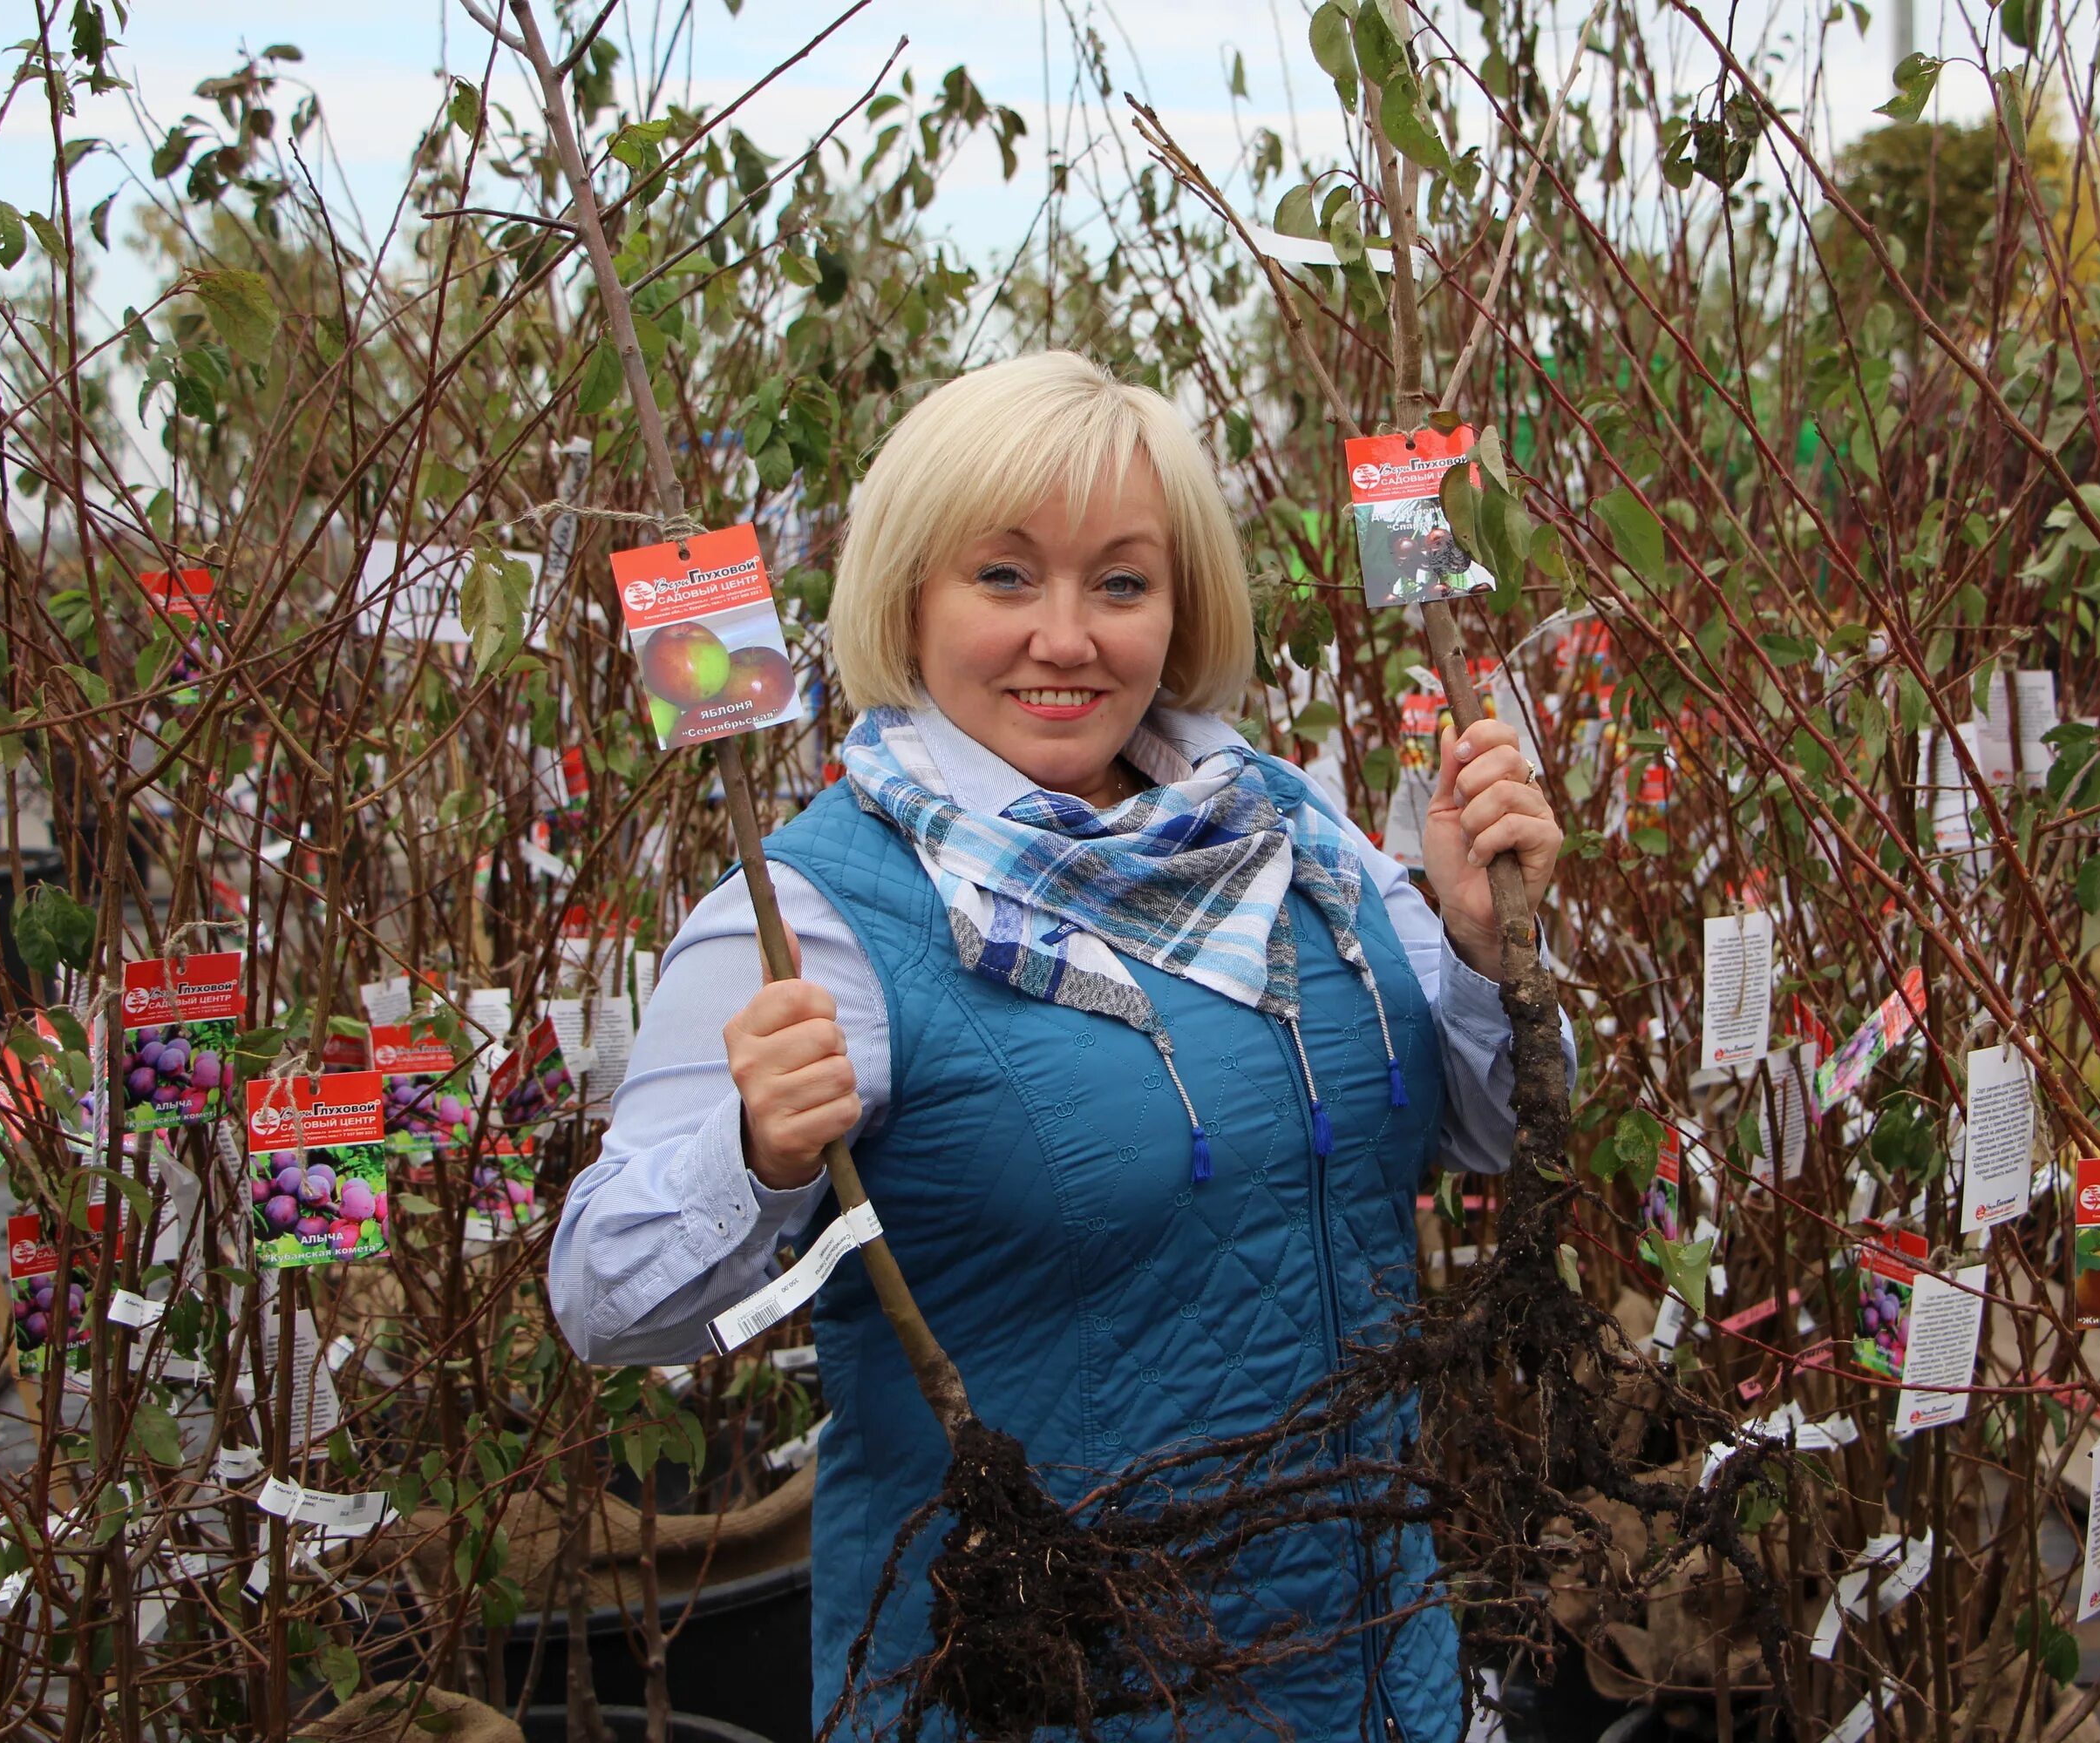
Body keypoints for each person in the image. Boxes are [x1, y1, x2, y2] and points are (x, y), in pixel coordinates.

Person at [550, 350, 1569, 1741]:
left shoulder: (1291, 833)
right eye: (1007, 577)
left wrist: (1478, 950)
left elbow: (1487, 1132)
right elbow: (608, 1303)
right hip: (1047, 1688)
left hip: (1373, 1657)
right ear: (909, 596)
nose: (1070, 637)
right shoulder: (819, 920)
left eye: (1123, 583)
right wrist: (756, 1148)